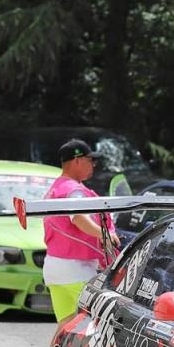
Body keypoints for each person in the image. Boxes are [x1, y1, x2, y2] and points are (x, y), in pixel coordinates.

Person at [42, 138, 119, 323]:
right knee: (96, 325)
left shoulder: (55, 188)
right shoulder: (73, 190)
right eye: (90, 160)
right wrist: (106, 235)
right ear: (77, 160)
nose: (93, 165)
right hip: (77, 269)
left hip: (54, 267)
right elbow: (78, 218)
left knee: (66, 328)